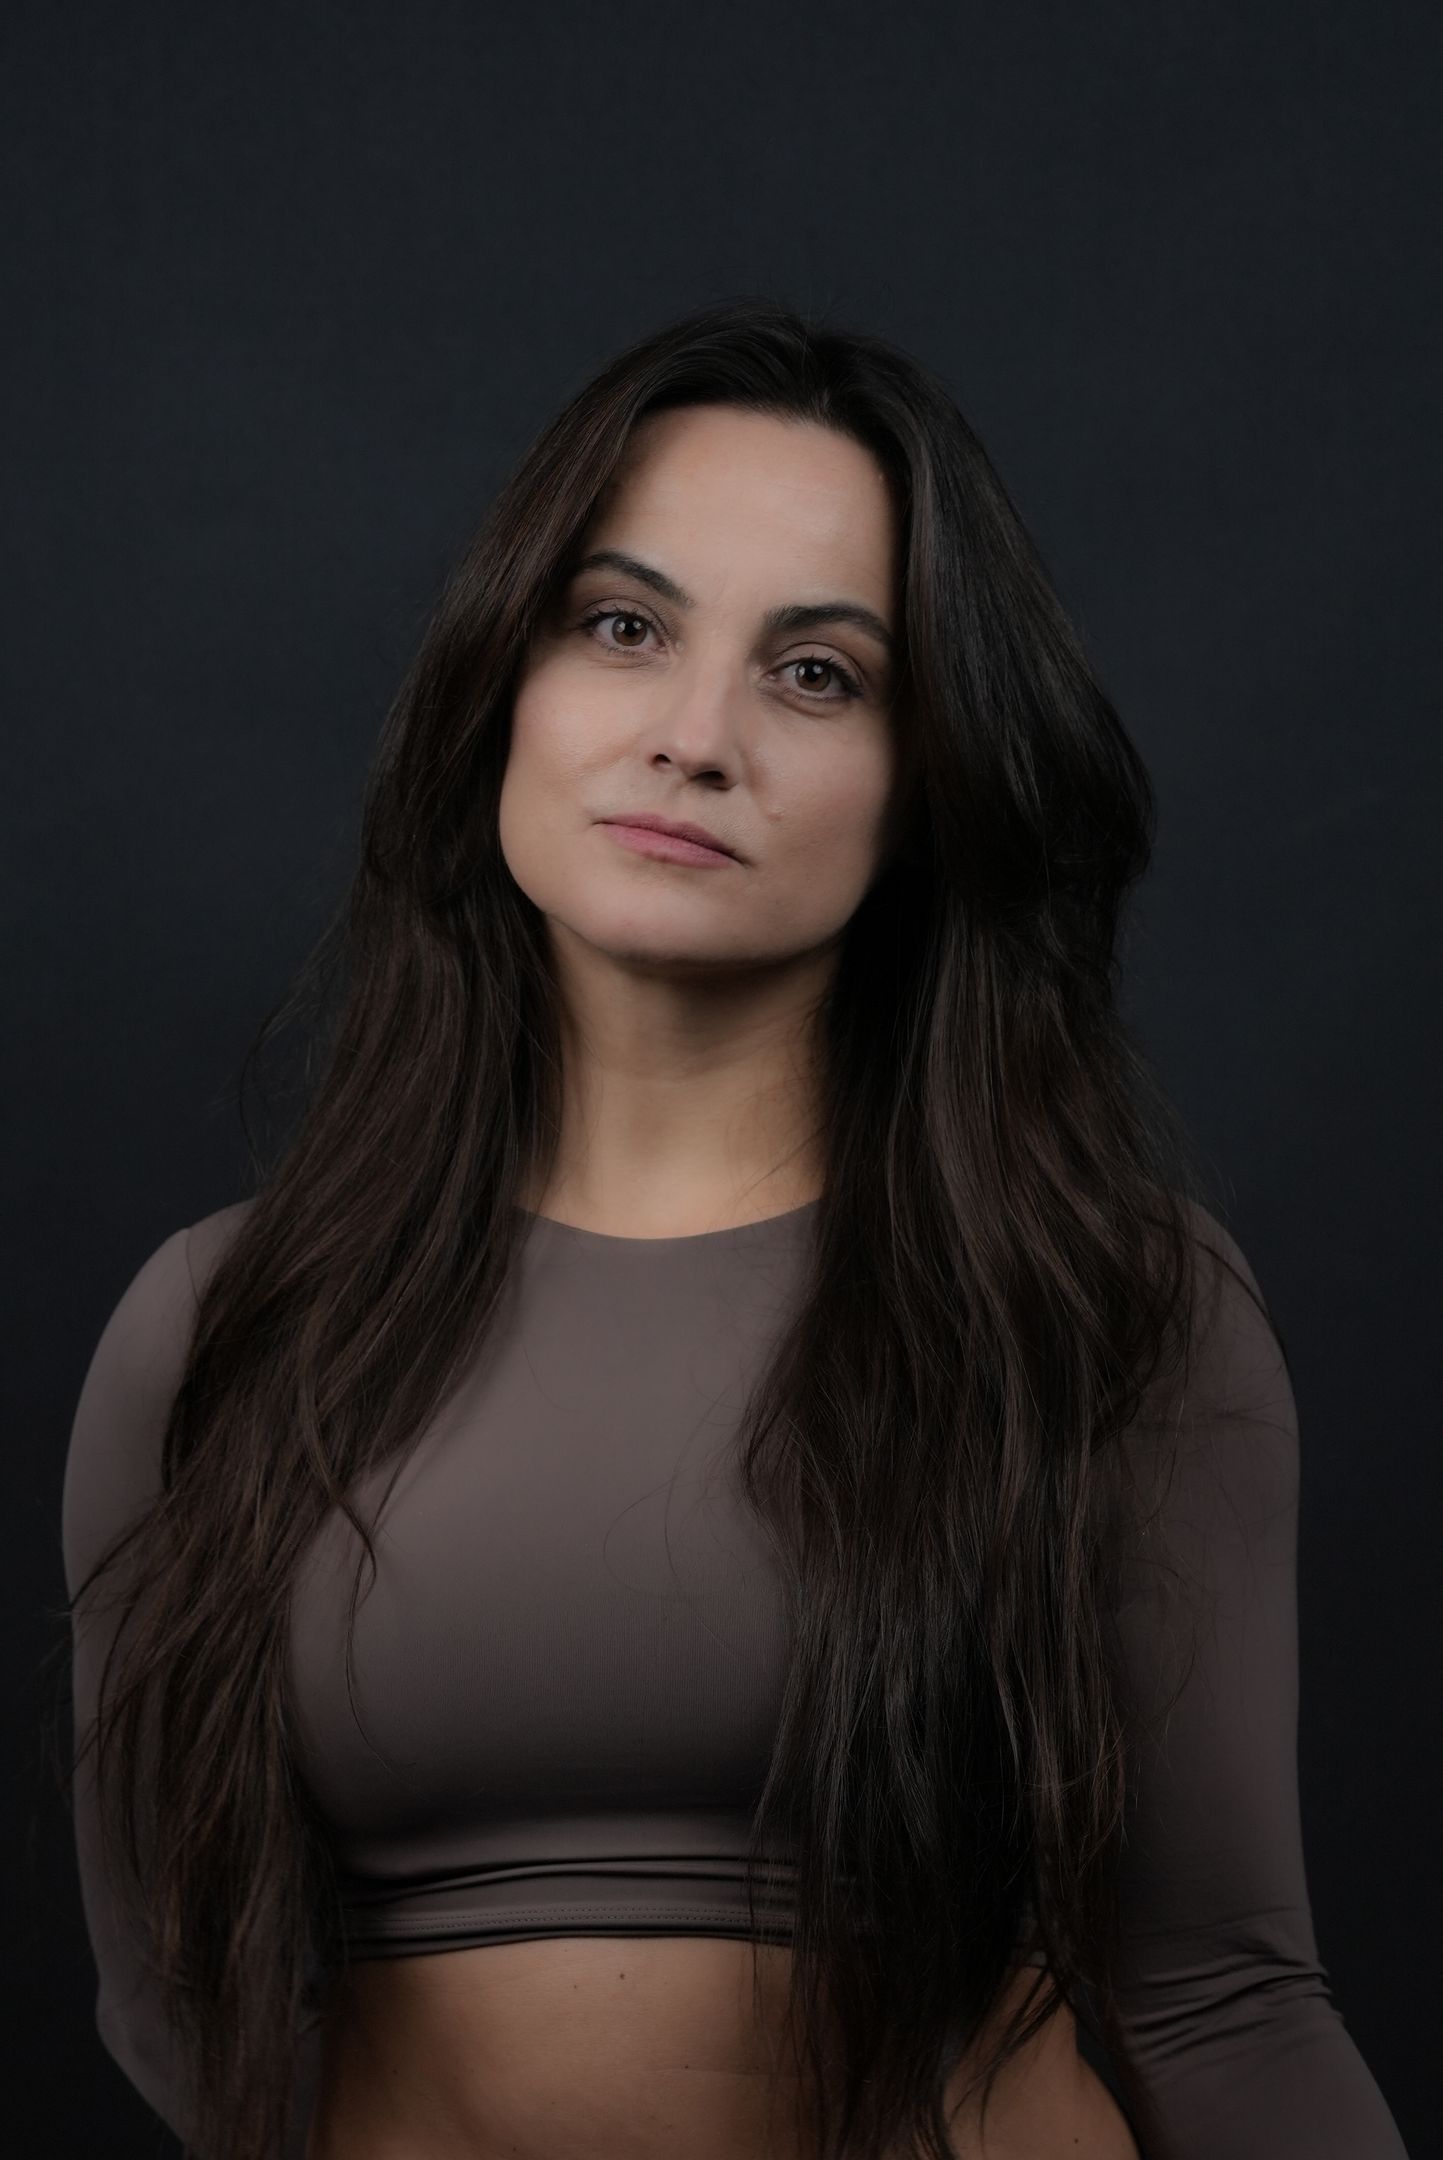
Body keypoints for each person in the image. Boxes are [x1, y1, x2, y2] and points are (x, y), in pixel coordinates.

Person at [60, 298, 1410, 2160]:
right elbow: (175, 1995)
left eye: (819, 674)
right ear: (501, 683)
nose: (694, 739)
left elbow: (1221, 1997)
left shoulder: (1106, 1303)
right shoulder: (229, 1325)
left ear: (926, 784)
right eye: (623, 627)